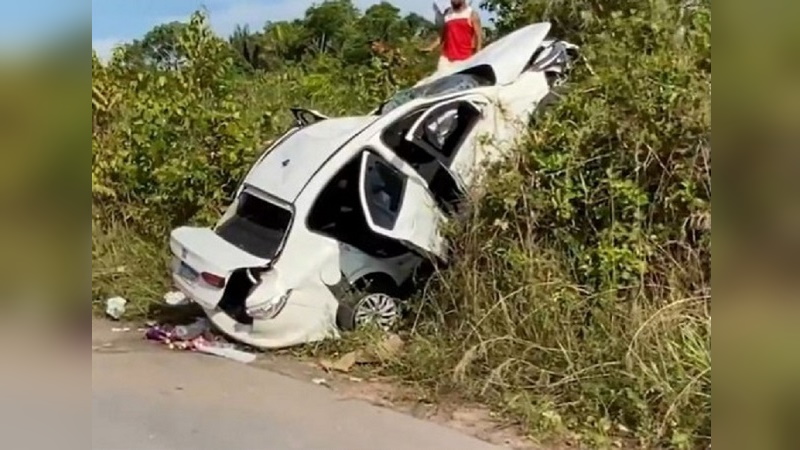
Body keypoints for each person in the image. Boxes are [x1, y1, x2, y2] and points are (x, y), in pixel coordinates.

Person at [423, 0, 483, 74]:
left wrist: (478, 56)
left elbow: (478, 36)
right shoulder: (447, 14)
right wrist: (431, 47)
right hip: (447, 59)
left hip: (465, 59)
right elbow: (442, 36)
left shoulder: (471, 14)